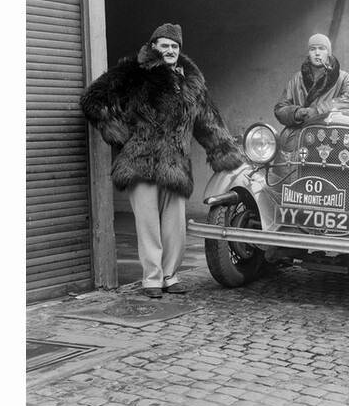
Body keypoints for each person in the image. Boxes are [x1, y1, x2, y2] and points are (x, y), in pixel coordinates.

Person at [80, 23, 244, 299]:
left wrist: (226, 153)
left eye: (175, 46)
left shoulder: (191, 82)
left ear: (180, 51)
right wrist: (123, 135)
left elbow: (208, 122)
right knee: (148, 226)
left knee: (175, 227)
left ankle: (171, 275)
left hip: (175, 166)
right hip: (139, 163)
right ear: (154, 45)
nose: (170, 50)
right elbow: (93, 101)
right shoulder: (133, 72)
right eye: (165, 45)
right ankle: (152, 279)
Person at [274, 33, 349, 152]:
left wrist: (318, 111)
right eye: (312, 49)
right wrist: (298, 113)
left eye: (322, 48)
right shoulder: (297, 78)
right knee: (290, 168)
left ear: (329, 52)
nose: (317, 53)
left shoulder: (342, 78)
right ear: (308, 53)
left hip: (331, 138)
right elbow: (280, 109)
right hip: (299, 139)